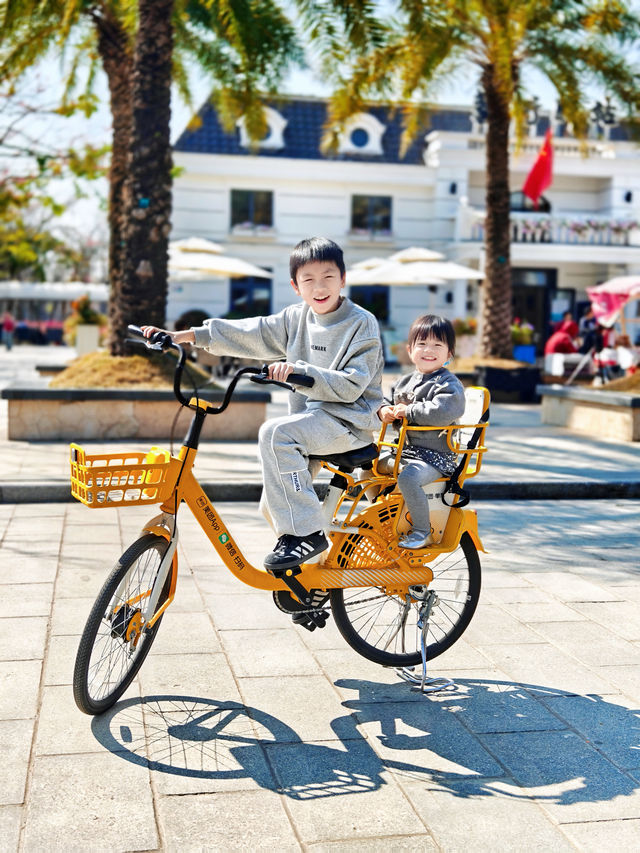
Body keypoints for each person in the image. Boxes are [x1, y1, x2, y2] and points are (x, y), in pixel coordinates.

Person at [141, 237, 384, 570]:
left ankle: (307, 536)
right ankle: (310, 579)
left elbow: (353, 385)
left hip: (348, 422)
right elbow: (251, 332)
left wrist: (301, 372)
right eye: (308, 279)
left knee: (274, 434)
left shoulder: (361, 323)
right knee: (272, 505)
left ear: (343, 279)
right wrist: (184, 337)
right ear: (295, 287)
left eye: (328, 277)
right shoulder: (295, 318)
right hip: (310, 424)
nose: (319, 287)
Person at [378, 314, 466, 550]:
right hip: (405, 452)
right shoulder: (404, 381)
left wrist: (409, 411)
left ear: (449, 354)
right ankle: (383, 516)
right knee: (366, 465)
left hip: (436, 457)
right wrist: (384, 410)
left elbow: (444, 411)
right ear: (410, 350)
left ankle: (422, 531)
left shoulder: (448, 384)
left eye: (437, 344)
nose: (429, 350)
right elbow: (386, 400)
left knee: (408, 478)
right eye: (422, 343)